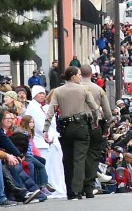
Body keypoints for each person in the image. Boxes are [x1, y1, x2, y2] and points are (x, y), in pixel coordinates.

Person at [43, 66, 101, 200]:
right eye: (79, 75)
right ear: (73, 76)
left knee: (67, 159)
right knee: (79, 159)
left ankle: (69, 190)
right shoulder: (83, 89)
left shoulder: (58, 91)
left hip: (65, 127)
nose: (80, 77)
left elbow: (51, 111)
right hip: (81, 125)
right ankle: (77, 190)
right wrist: (95, 120)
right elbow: (94, 107)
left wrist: (46, 128)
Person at [80, 65, 113, 197]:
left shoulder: (74, 88)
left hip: (78, 124)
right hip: (95, 125)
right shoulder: (98, 89)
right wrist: (107, 125)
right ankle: (89, 186)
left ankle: (78, 185)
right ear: (92, 74)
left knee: (78, 156)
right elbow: (108, 113)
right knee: (93, 156)